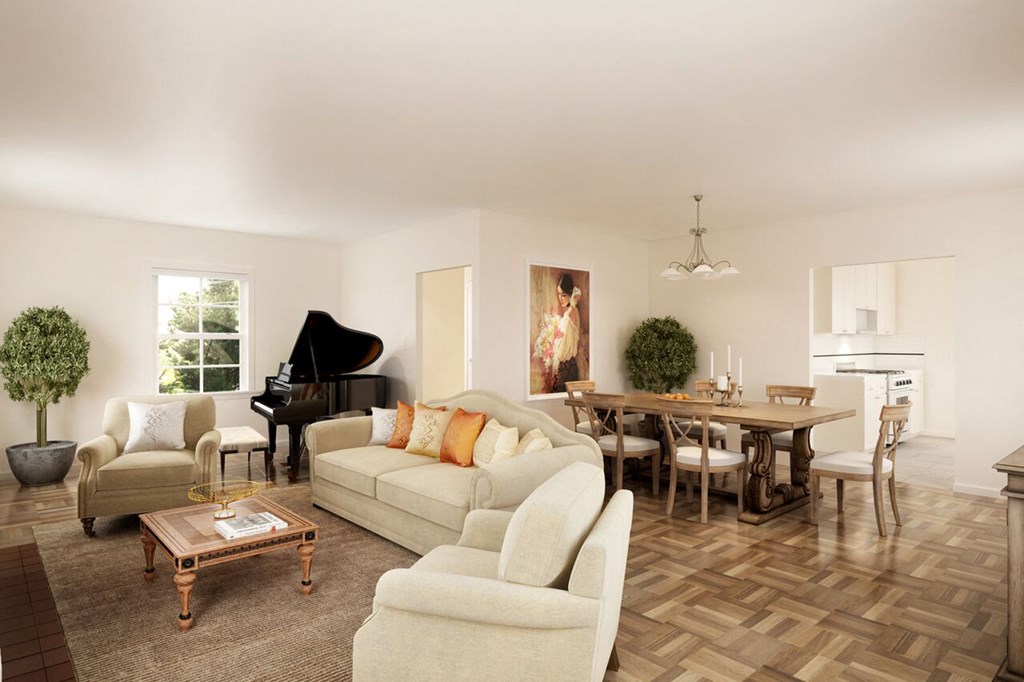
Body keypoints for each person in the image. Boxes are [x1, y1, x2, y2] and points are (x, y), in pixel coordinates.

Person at [549, 273, 582, 392]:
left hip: (565, 367)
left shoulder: (570, 313)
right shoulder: (574, 311)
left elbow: (562, 350)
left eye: (563, 295)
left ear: (570, 294)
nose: (560, 298)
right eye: (558, 294)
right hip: (570, 366)